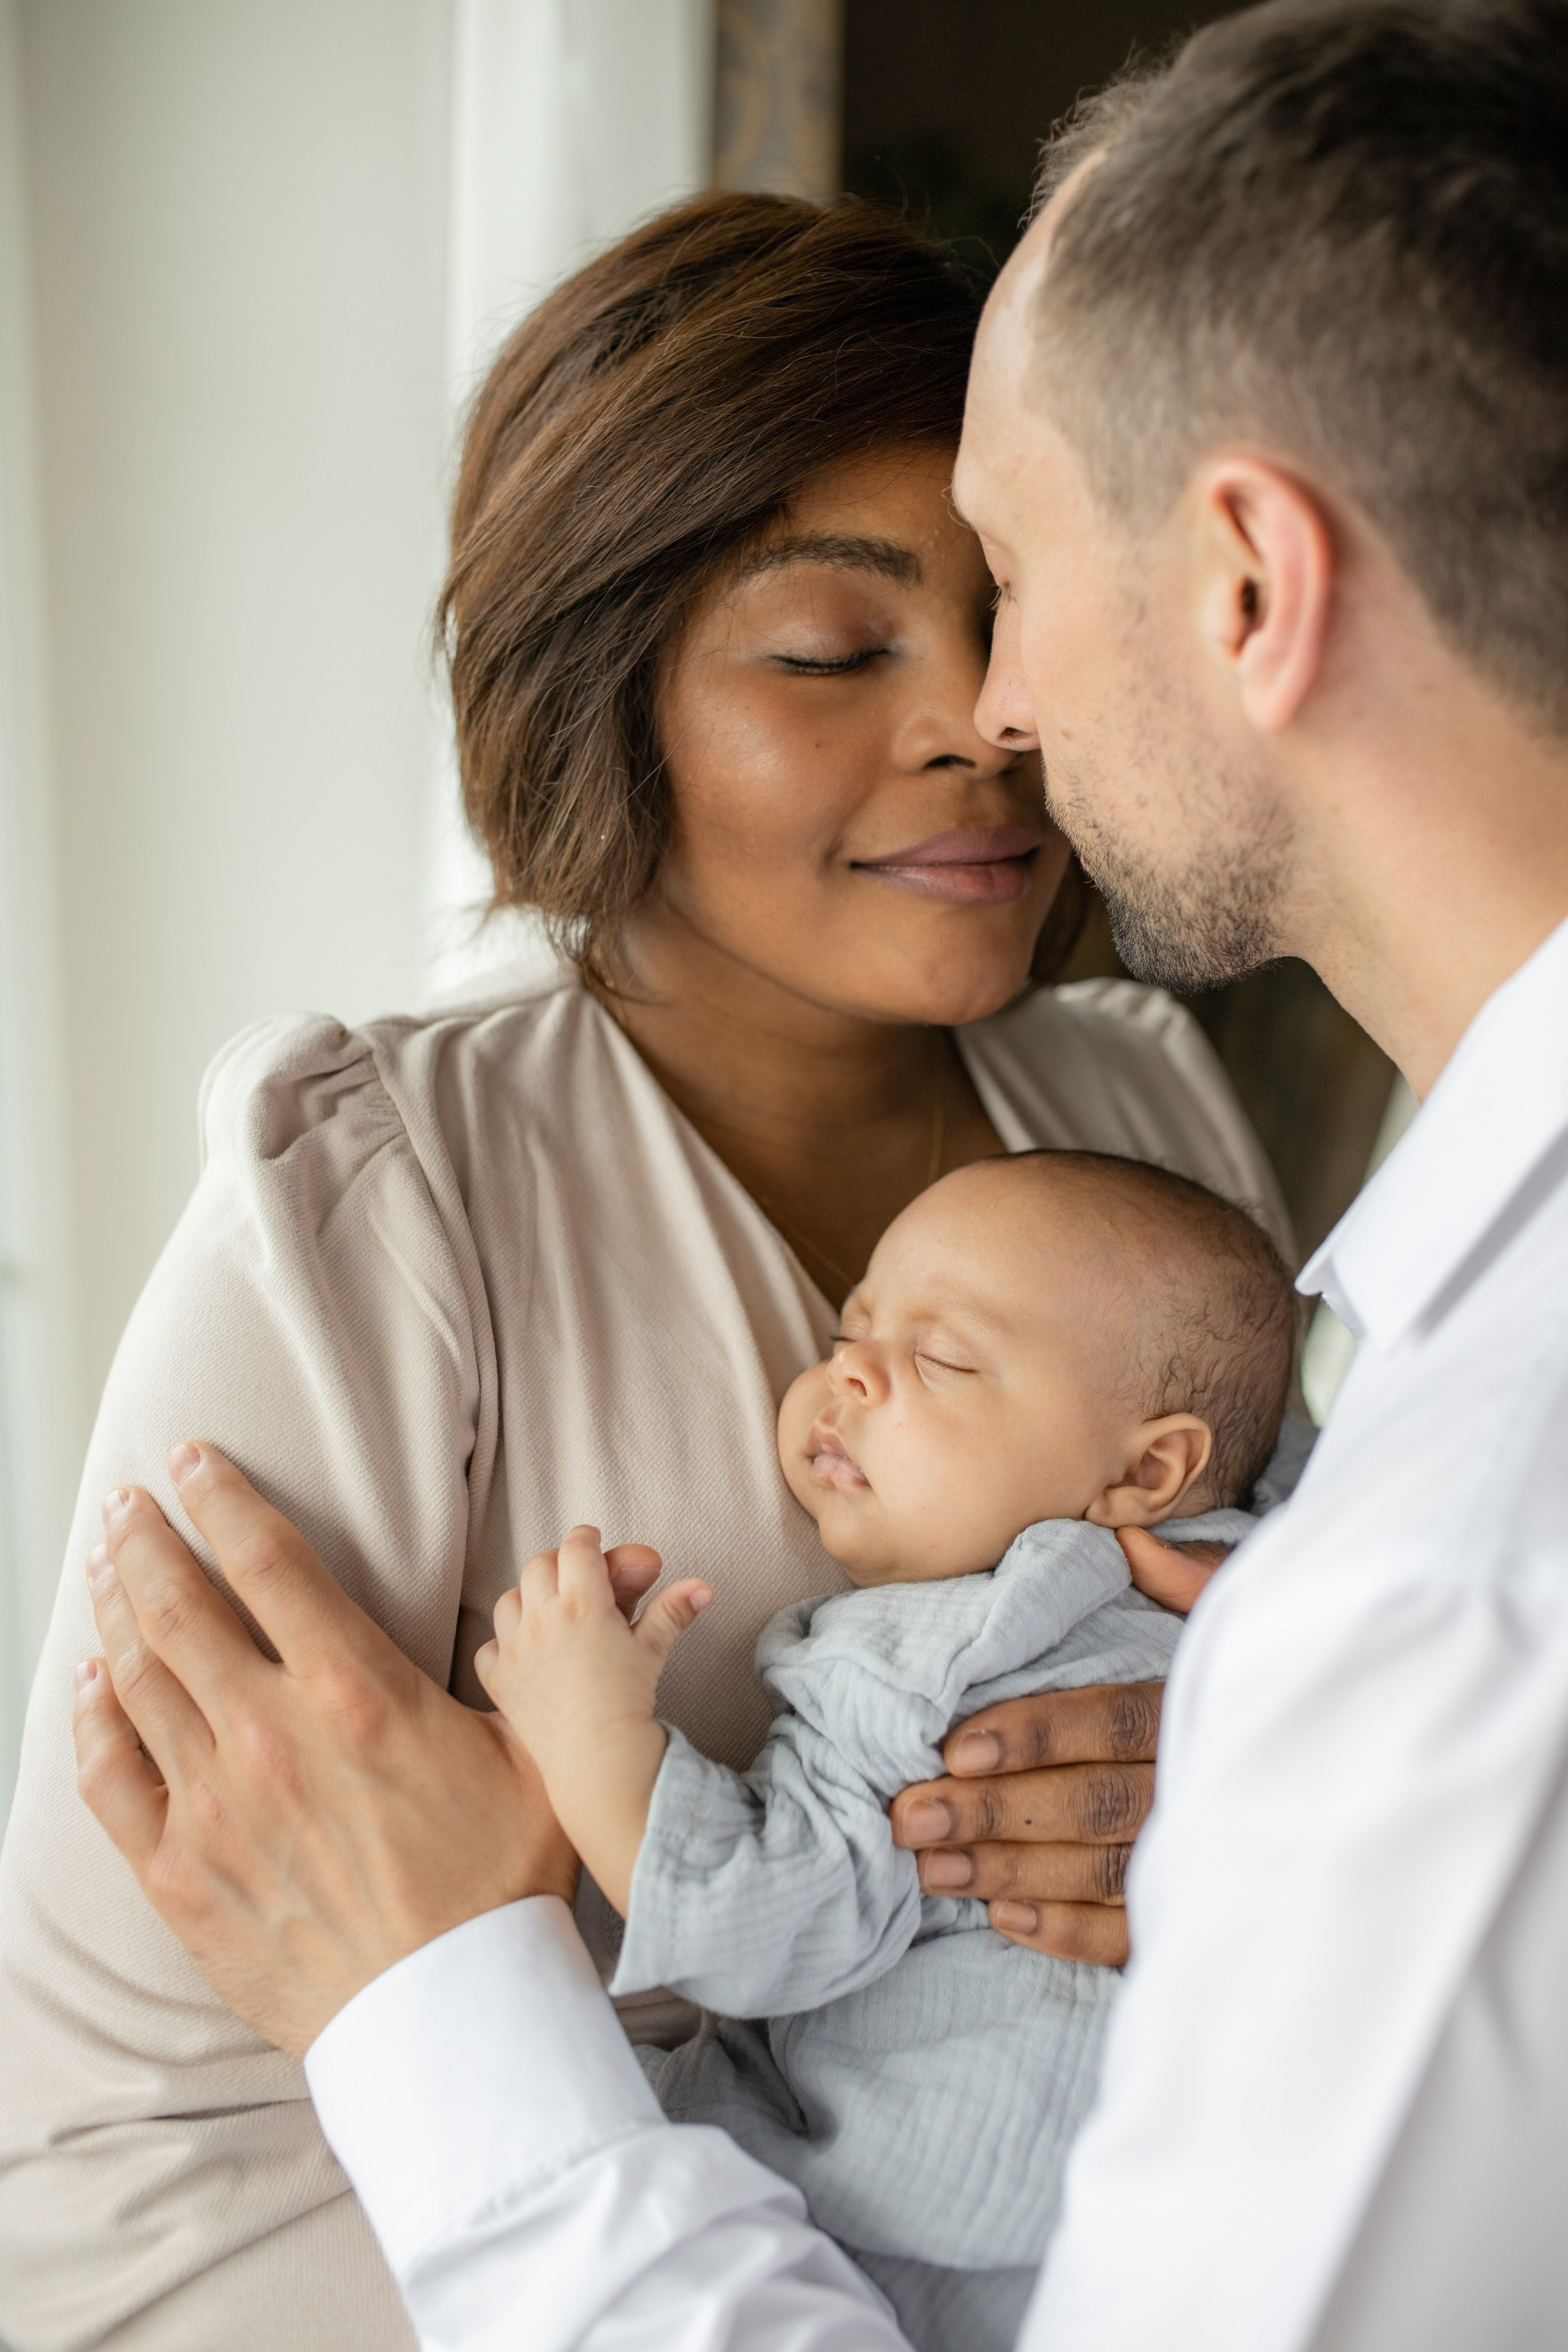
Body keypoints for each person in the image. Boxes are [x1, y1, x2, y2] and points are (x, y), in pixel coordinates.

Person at [61, 0, 1568, 2344]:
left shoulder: (1148, 1105)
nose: (982, 719)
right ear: (603, 692)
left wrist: (1237, 1820)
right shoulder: (373, 1191)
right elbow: (127, 2125)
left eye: (995, 606)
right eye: (837, 643)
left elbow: (1259, 1652)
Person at [481, 1152, 1292, 2352]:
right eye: (847, 1330)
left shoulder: (931, 1652)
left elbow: (750, 1926)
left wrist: (581, 1724)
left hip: (931, 2241)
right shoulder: (1275, 1580)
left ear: (1144, 1473)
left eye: (942, 1357)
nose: (846, 1371)